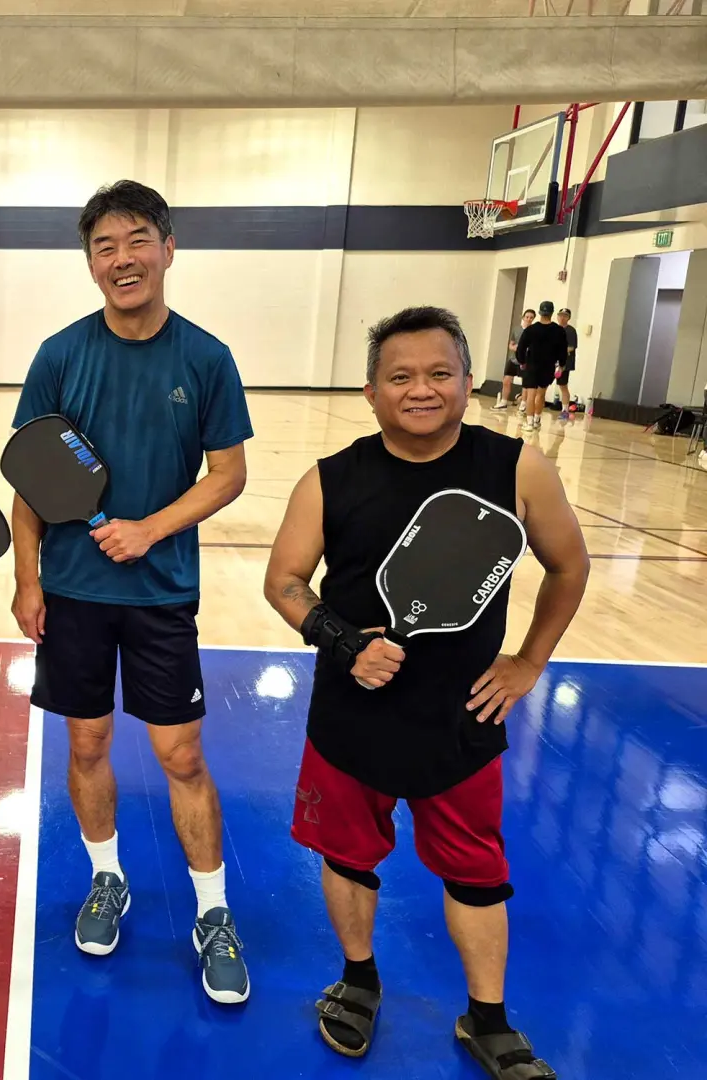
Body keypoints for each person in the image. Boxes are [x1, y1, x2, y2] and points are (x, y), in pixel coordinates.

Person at [263, 305, 588, 1078]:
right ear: (370, 391)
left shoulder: (516, 469)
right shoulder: (331, 479)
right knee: (348, 859)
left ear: (470, 382)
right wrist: (344, 643)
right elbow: (285, 581)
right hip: (352, 714)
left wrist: (528, 662)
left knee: (477, 871)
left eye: (440, 373)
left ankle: (488, 1019)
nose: (421, 389)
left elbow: (569, 566)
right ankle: (359, 979)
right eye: (400, 376)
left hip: (462, 716)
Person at [10, 180, 254, 1004]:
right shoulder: (60, 355)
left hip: (160, 593)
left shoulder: (206, 358)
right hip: (73, 593)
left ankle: (213, 912)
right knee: (86, 744)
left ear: (168, 248)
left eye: (137, 240)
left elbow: (228, 474)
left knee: (181, 754)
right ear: (90, 264)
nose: (122, 259)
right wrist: (27, 578)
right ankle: (106, 877)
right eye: (104, 247)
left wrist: (149, 529)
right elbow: (31, 477)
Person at [513, 300, 568, 432]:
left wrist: (522, 361)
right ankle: (537, 419)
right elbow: (563, 350)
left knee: (531, 395)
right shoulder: (559, 331)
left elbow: (521, 348)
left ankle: (529, 422)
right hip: (548, 366)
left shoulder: (531, 329)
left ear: (539, 312)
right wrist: (561, 364)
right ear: (552, 313)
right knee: (541, 394)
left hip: (532, 364)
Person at [492, 309, 535, 412]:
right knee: (507, 380)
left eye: (531, 317)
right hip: (513, 359)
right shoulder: (516, 329)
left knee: (525, 383)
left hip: (526, 360)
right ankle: (503, 401)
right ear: (523, 317)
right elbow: (511, 344)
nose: (529, 319)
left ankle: (523, 403)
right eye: (527, 317)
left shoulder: (534, 331)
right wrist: (514, 347)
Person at [552, 307, 578, 416]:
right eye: (560, 315)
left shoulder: (571, 331)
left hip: (564, 363)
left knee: (563, 386)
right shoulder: (553, 329)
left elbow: (571, 347)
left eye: (565, 316)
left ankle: (565, 410)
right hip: (551, 361)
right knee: (542, 384)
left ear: (568, 318)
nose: (562, 318)